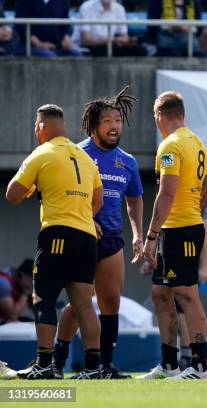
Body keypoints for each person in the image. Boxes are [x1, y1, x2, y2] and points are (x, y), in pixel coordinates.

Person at [51, 87, 143, 380]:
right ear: (94, 125)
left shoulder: (127, 161)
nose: (115, 126)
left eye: (118, 120)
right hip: (82, 237)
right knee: (79, 302)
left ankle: (104, 365)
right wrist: (86, 221)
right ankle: (57, 360)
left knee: (111, 302)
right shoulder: (76, 154)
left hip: (113, 239)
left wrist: (138, 233)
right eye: (108, 121)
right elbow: (63, 196)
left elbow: (135, 199)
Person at [6, 104, 103, 379]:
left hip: (58, 233)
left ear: (41, 127)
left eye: (36, 126)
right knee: (84, 304)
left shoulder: (42, 152)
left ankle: (45, 364)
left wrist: (32, 187)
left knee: (44, 298)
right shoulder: (85, 157)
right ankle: (93, 368)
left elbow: (12, 194)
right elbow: (99, 200)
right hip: (87, 237)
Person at [139, 91, 207, 380]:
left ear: (159, 116)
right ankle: (168, 365)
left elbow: (166, 193)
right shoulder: (198, 143)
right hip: (186, 224)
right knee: (160, 293)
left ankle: (199, 366)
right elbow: (205, 188)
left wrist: (151, 235)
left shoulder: (170, 145)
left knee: (187, 295)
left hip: (178, 228)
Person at [78, 0, 147, 57]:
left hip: (111, 45)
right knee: (108, 50)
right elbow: (85, 40)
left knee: (141, 50)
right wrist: (112, 40)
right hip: (91, 46)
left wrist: (126, 41)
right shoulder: (86, 7)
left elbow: (124, 36)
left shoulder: (120, 9)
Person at [14, 0, 82, 57]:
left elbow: (65, 23)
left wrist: (66, 38)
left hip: (56, 46)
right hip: (28, 46)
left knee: (77, 55)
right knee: (49, 56)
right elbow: (21, 24)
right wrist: (39, 44)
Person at [0, 259, 34, 323]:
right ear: (22, 274)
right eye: (31, 280)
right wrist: (25, 294)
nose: (32, 283)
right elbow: (12, 316)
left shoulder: (21, 281)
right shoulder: (3, 283)